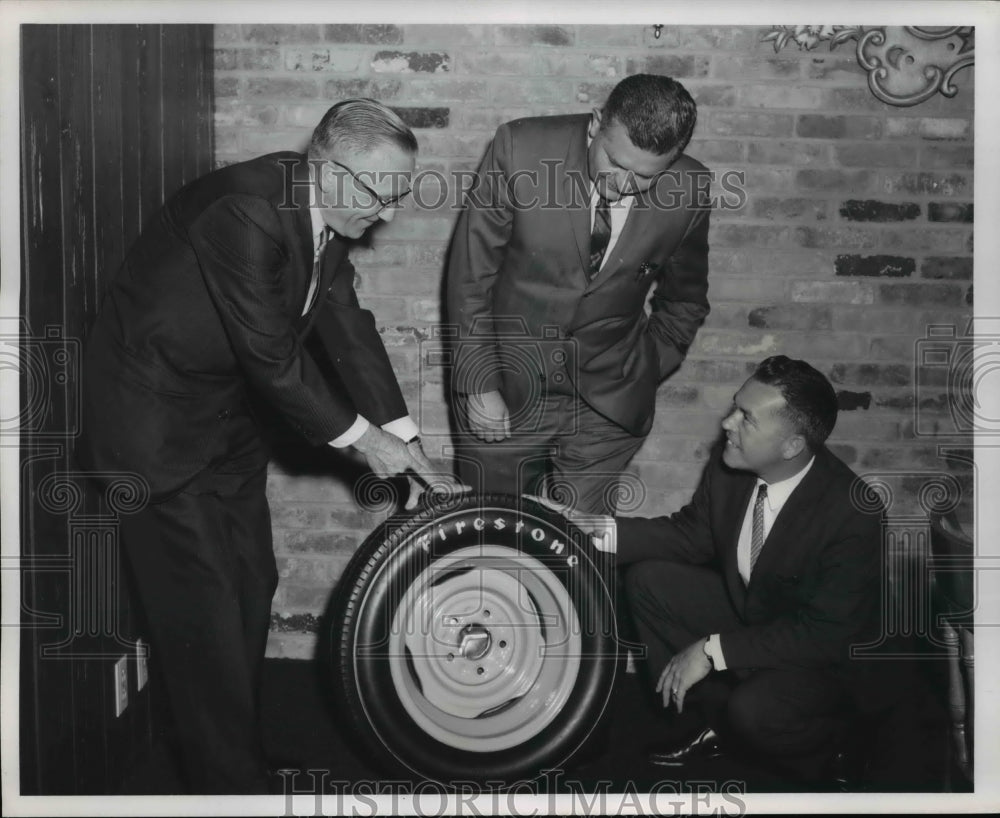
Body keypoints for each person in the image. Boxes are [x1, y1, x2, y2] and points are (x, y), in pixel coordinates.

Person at [77, 98, 461, 793]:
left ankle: (231, 758)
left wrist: (405, 436)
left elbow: (347, 327)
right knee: (207, 609)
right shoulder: (246, 210)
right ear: (329, 167)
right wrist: (365, 442)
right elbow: (274, 360)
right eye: (383, 193)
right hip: (154, 433)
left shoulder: (330, 213)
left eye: (399, 195)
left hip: (224, 422)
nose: (390, 214)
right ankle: (230, 792)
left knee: (252, 585)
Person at [548, 356, 884, 783]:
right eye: (734, 407)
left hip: (821, 658)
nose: (727, 423)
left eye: (746, 418)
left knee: (756, 712)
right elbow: (691, 536)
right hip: (759, 617)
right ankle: (717, 725)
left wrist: (712, 650)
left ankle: (836, 746)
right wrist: (598, 530)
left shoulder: (854, 512)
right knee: (650, 581)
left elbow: (825, 635)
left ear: (792, 446)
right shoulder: (732, 469)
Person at [446, 74, 711, 514]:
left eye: (644, 176)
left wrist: (644, 371)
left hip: (607, 402)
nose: (623, 184)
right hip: (507, 390)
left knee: (575, 552)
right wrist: (479, 385)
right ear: (595, 125)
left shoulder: (690, 189)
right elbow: (470, 278)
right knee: (490, 541)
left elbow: (685, 301)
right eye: (614, 161)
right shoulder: (520, 148)